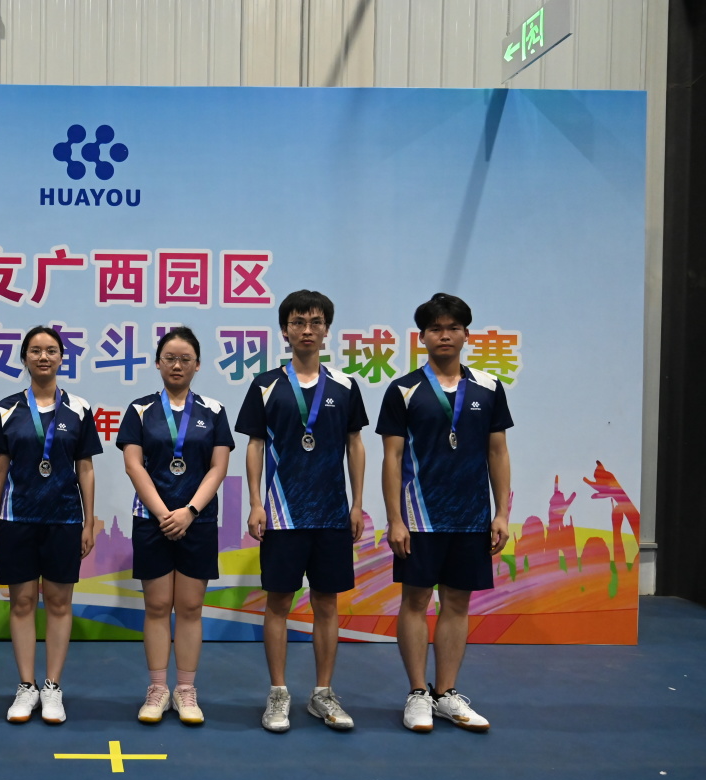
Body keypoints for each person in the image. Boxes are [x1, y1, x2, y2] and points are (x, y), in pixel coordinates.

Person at [377, 293, 512, 733]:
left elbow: (498, 452)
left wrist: (501, 513)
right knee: (415, 601)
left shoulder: (488, 388)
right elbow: (392, 458)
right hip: (420, 517)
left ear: (466, 334)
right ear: (423, 337)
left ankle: (446, 693)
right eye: (436, 328)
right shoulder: (403, 390)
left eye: (453, 327)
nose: (445, 335)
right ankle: (418, 693)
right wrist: (395, 519)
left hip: (471, 517)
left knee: (457, 602)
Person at [234, 290, 368, 733]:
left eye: (314, 322)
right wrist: (256, 502)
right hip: (282, 515)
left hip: (331, 515)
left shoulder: (345, 386)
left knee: (327, 603)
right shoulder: (266, 385)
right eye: (297, 322)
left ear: (327, 330)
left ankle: (323, 693)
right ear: (284, 330)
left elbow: (354, 444)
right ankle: (278, 693)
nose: (306, 330)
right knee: (278, 603)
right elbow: (255, 445)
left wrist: (357, 503)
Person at [0, 327, 103, 725]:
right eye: (35, 351)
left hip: (64, 520)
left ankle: (52, 687)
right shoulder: (7, 408)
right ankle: (26, 686)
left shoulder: (79, 409)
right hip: (16, 519)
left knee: (58, 603)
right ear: (24, 358)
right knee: (21, 603)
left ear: (61, 358)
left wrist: (88, 521)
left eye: (51, 350)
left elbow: (85, 469)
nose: (43, 357)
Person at [117, 327, 234, 725]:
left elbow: (218, 467)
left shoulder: (214, 411)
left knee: (190, 607)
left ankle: (185, 689)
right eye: (170, 358)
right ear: (158, 363)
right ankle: (157, 688)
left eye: (185, 359)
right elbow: (134, 465)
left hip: (197, 521)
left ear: (198, 365)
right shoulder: (139, 410)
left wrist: (189, 511)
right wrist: (164, 512)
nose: (177, 365)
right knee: (155, 606)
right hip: (152, 520)